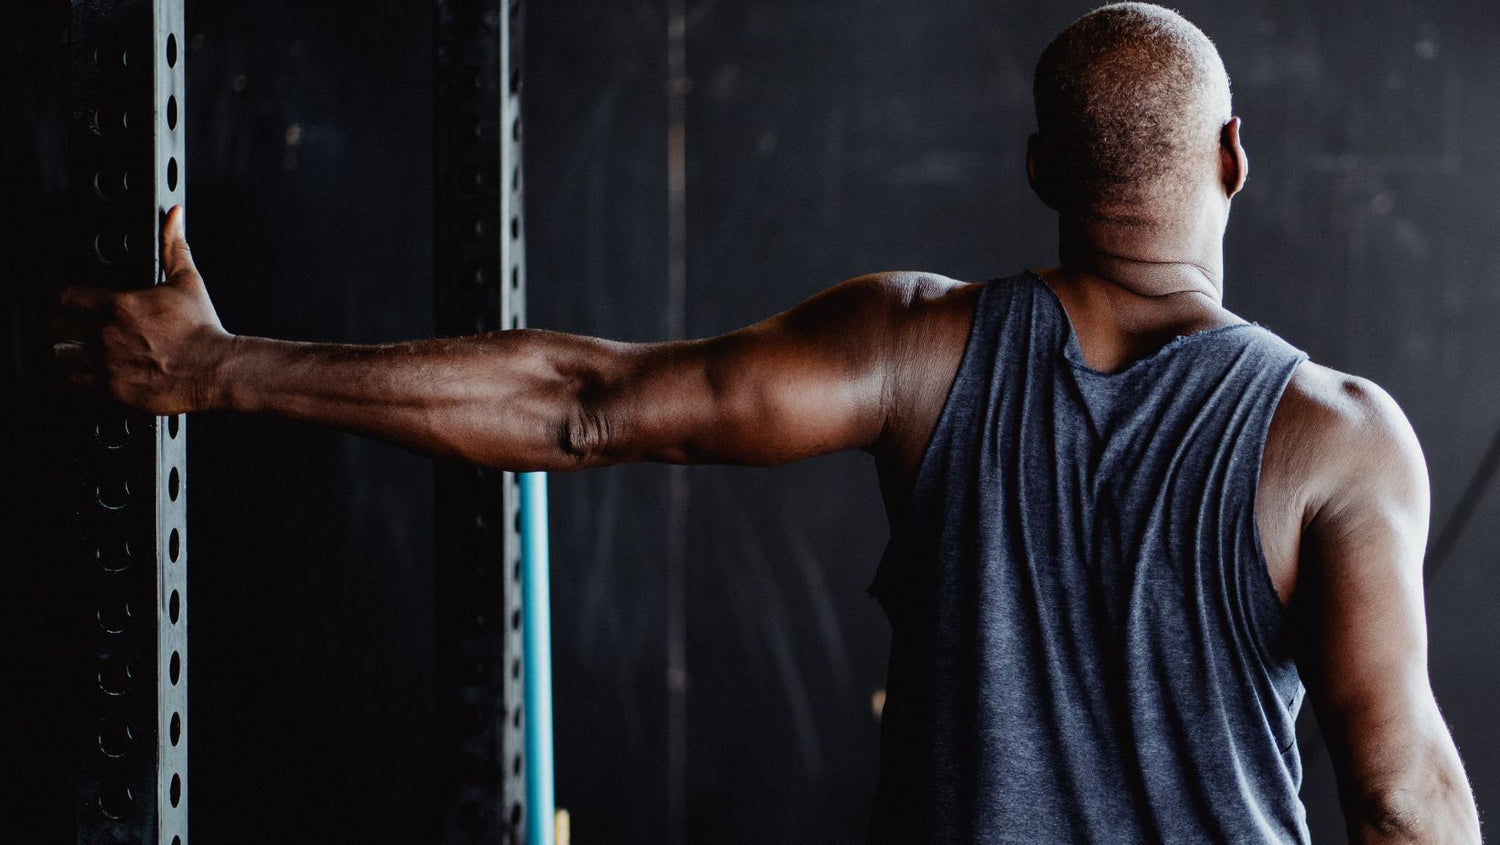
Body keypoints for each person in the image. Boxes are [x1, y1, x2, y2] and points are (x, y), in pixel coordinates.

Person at [53, 3, 1480, 842]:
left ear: (1039, 165)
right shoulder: (1338, 438)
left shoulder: (917, 351)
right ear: (1236, 160)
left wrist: (221, 367)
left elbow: (584, 405)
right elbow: (1404, 800)